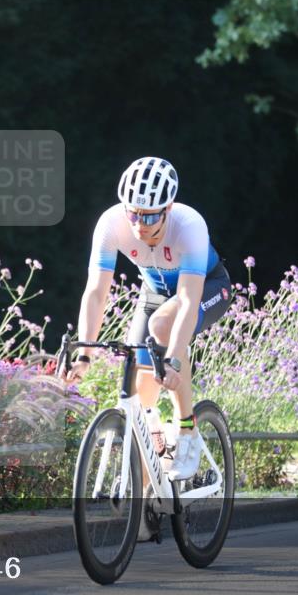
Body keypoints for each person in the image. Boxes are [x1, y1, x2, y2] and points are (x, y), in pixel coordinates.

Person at [62, 157, 232, 481]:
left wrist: (174, 363)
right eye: (134, 213)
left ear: (168, 209)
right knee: (139, 399)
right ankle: (146, 499)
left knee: (161, 327)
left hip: (207, 286)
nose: (139, 224)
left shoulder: (189, 225)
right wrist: (84, 354)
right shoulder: (111, 223)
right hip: (154, 293)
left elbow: (186, 301)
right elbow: (96, 293)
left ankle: (187, 432)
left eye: (150, 215)